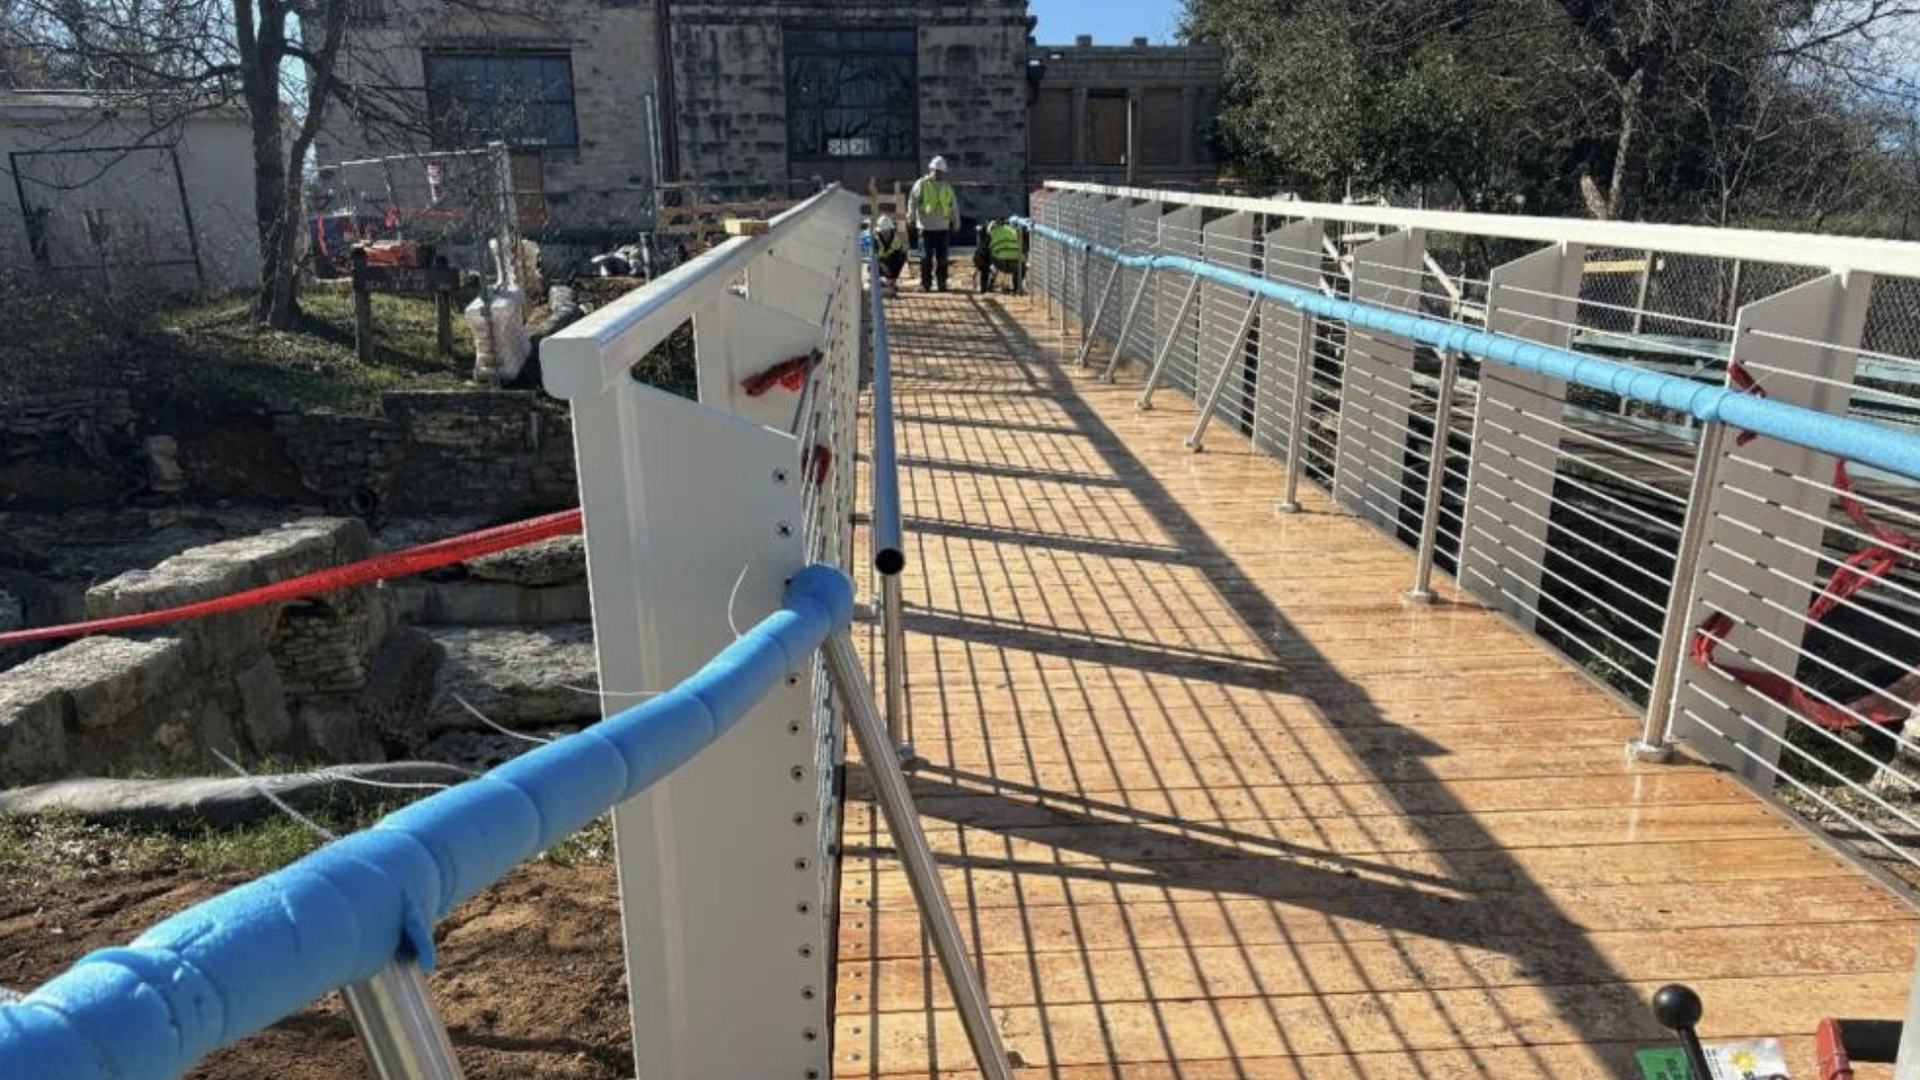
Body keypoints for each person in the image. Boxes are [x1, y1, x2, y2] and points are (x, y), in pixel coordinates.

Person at [908, 156, 958, 292]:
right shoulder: (921, 184)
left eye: (941, 172)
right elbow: (912, 201)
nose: (938, 174)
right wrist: (911, 218)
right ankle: (926, 284)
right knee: (925, 259)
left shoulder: (947, 187)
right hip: (925, 229)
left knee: (942, 260)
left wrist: (956, 222)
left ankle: (942, 284)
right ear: (930, 169)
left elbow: (954, 206)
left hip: (943, 229)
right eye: (936, 171)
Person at [975, 218, 1026, 295]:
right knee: (1018, 260)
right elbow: (1023, 248)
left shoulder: (991, 233)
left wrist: (978, 263)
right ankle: (1017, 288)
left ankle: (984, 287)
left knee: (984, 256)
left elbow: (982, 251)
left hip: (1000, 263)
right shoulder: (1013, 231)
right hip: (1018, 266)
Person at [869, 215, 907, 298]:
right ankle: (878, 283)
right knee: (872, 266)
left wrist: (891, 271)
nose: (885, 234)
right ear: (880, 231)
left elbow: (900, 254)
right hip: (879, 264)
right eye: (883, 231)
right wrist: (882, 265)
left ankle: (892, 281)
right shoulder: (876, 240)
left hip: (889, 262)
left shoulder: (895, 239)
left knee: (902, 256)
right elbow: (874, 256)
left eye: (887, 231)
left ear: (890, 230)